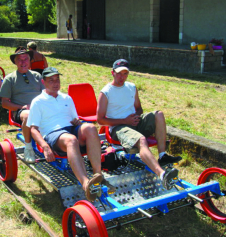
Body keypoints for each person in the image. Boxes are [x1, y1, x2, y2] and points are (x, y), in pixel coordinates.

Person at [27, 67, 115, 202]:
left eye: (57, 79)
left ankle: (98, 175)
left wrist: (79, 124)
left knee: (90, 127)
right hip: (53, 134)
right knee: (71, 139)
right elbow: (33, 129)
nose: (56, 83)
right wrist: (44, 146)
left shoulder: (66, 98)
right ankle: (86, 184)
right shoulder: (38, 101)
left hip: (70, 129)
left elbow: (75, 121)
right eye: (51, 80)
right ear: (43, 82)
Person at [97, 59, 182, 190]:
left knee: (159, 114)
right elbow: (100, 120)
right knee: (142, 140)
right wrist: (125, 121)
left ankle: (162, 156)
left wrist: (136, 116)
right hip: (118, 127)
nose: (122, 77)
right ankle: (162, 174)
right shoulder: (106, 92)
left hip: (133, 122)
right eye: (119, 73)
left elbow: (139, 108)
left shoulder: (132, 87)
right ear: (112, 73)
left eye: (125, 73)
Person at [0, 47, 44, 163]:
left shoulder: (37, 76)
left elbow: (46, 95)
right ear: (15, 62)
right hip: (21, 111)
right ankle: (28, 149)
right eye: (20, 59)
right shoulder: (9, 79)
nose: (23, 62)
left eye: (26, 59)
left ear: (30, 61)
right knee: (29, 115)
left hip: (40, 109)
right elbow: (4, 103)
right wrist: (21, 107)